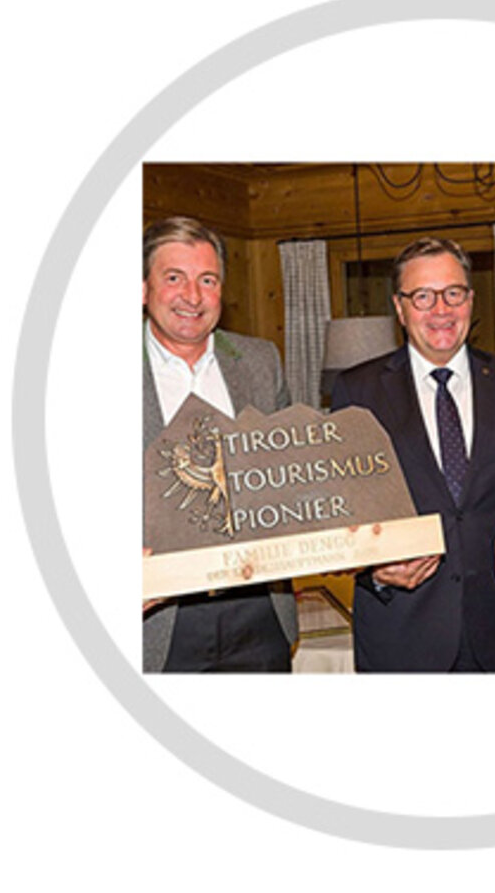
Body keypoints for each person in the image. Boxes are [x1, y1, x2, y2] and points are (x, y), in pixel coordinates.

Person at [330, 237, 495, 672]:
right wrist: (371, 567)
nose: (441, 310)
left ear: (470, 298)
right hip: (400, 634)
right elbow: (338, 505)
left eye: (453, 293)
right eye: (423, 296)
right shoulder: (357, 391)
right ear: (400, 307)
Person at [142, 216, 297, 672]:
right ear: (143, 288)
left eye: (207, 280)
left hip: (260, 608)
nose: (192, 296)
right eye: (175, 278)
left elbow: (290, 470)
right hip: (159, 620)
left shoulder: (260, 361)